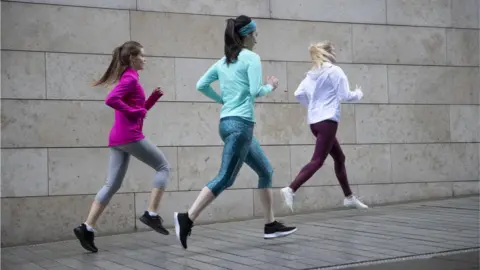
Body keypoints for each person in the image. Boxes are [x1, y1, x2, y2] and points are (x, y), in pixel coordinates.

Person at [174, 15, 297, 250]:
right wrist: (271, 85)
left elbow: (201, 85)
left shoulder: (223, 62)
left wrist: (222, 99)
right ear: (246, 35)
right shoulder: (251, 58)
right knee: (225, 178)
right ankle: (186, 218)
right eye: (254, 34)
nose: (256, 39)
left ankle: (270, 225)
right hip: (241, 126)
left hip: (228, 123)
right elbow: (253, 91)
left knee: (265, 171)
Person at [73, 41, 171, 253]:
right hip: (130, 137)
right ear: (132, 58)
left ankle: (86, 228)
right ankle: (151, 214)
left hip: (118, 139)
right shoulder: (130, 78)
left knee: (111, 184)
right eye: (142, 56)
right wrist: (135, 112)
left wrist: (151, 99)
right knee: (163, 167)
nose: (145, 59)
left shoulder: (131, 78)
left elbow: (139, 111)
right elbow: (112, 100)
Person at [280, 41, 368, 212]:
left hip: (315, 122)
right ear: (328, 53)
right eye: (333, 51)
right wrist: (359, 94)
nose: (335, 54)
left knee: (339, 158)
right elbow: (345, 95)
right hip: (327, 121)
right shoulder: (334, 71)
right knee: (318, 161)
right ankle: (291, 189)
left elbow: (298, 94)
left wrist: (314, 106)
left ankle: (349, 197)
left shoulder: (311, 74)